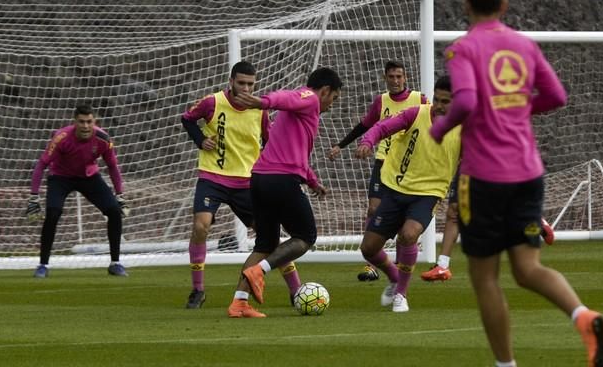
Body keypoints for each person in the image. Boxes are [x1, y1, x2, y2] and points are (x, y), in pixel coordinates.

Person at [429, 0, 603, 367]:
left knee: (485, 278)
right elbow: (557, 96)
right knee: (527, 268)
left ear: (466, 6)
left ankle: (506, 365)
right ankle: (584, 315)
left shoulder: (463, 49)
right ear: (504, 6)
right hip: (529, 173)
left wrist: (440, 128)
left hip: (483, 178)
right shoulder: (523, 45)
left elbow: (466, 102)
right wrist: (518, 106)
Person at [181, 60, 301, 309]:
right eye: (242, 83)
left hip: (247, 182)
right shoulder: (212, 102)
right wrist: (200, 140)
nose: (246, 88)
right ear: (231, 82)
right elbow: (187, 119)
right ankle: (198, 290)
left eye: (251, 84)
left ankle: (296, 289)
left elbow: (270, 142)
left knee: (269, 238)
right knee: (200, 226)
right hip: (212, 177)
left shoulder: (260, 110)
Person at [226, 67, 343, 318]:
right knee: (305, 236)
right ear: (325, 91)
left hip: (259, 179)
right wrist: (262, 102)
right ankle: (260, 271)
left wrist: (312, 181)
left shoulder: (296, 117)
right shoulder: (309, 98)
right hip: (280, 181)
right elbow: (286, 97)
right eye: (333, 98)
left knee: (265, 244)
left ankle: (239, 303)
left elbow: (295, 154)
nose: (331, 105)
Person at [355, 76, 461, 312]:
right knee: (368, 249)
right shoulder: (417, 114)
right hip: (395, 188)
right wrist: (367, 141)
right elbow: (382, 127)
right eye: (438, 99)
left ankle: (401, 294)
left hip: (429, 194)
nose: (441, 105)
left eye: (447, 101)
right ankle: (394, 277)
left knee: (409, 234)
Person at [327, 60, 427, 281]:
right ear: (385, 78)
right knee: (373, 209)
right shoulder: (381, 101)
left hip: (406, 165)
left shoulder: (419, 100)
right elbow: (365, 126)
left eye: (399, 76)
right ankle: (371, 263)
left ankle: (400, 265)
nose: (395, 80)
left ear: (406, 77)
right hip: (383, 162)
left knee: (402, 217)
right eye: (391, 77)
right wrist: (340, 145)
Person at [26, 104, 130, 278]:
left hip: (89, 177)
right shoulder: (62, 137)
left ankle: (115, 263)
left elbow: (112, 166)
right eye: (81, 122)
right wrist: (33, 197)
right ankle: (43, 265)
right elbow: (42, 164)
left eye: (89, 121)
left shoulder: (103, 139)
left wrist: (120, 195)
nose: (86, 126)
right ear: (75, 122)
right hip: (61, 177)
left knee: (113, 211)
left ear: (94, 121)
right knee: (53, 213)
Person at [420, 174, 555, 282]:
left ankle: (533, 222)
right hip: (469, 164)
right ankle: (442, 265)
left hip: (481, 163)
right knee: (455, 212)